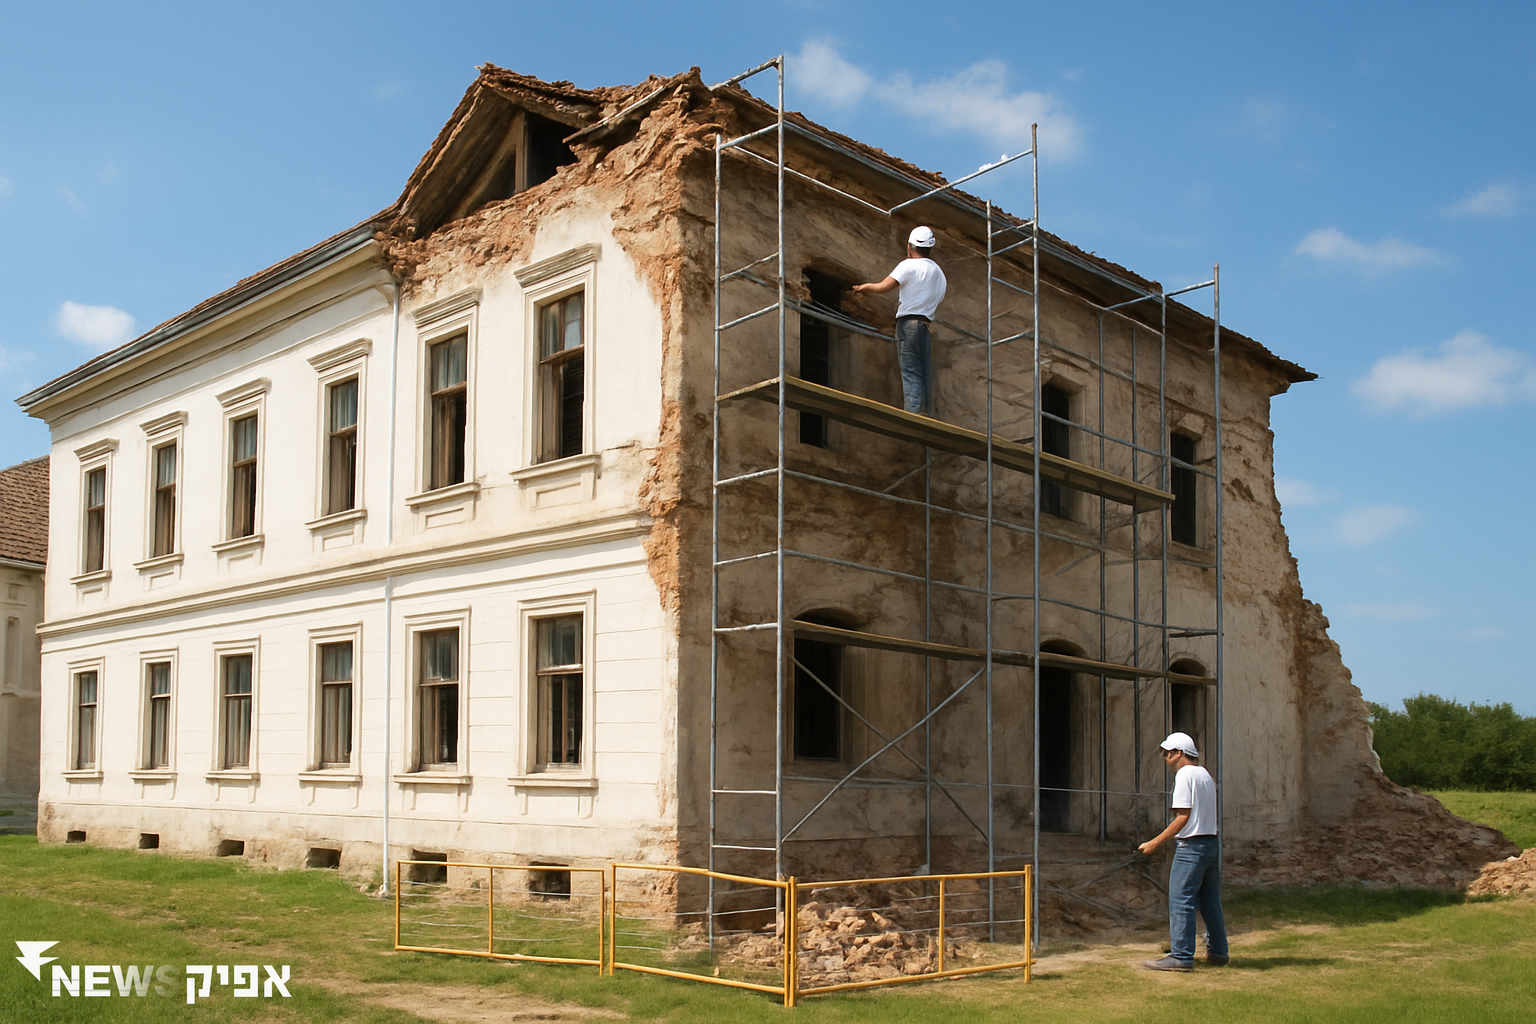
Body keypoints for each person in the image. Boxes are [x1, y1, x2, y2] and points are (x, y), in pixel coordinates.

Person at [1137, 731, 1230, 971]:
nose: (1166, 758)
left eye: (1168, 753)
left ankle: (1181, 956)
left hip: (1191, 847)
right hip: (1211, 843)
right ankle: (1219, 951)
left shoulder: (1185, 775)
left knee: (1181, 900)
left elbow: (1183, 817)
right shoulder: (1205, 774)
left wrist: (1155, 842)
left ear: (1179, 753)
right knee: (1210, 900)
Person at [852, 226, 947, 416]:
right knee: (922, 372)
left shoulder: (908, 265)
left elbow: (883, 286)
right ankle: (924, 413)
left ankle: (913, 415)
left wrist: (864, 288)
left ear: (910, 247)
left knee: (910, 371)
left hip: (908, 325)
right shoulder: (939, 274)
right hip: (925, 326)